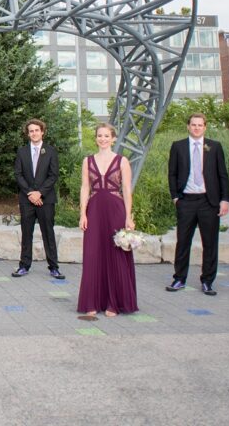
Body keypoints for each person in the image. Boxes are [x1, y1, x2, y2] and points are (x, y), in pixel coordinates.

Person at [77, 123, 138, 317]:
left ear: (113, 138)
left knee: (115, 254)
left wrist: (129, 216)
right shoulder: (87, 161)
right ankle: (92, 301)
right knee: (92, 254)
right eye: (99, 136)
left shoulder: (122, 161)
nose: (102, 139)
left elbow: (127, 189)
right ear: (95, 138)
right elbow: (85, 188)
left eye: (106, 136)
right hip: (94, 209)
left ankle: (114, 303)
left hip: (115, 210)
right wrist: (82, 213)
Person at [166, 113, 229, 296]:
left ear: (205, 127)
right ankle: (179, 278)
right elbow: (172, 173)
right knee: (183, 241)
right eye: (193, 124)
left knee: (210, 243)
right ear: (188, 126)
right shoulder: (178, 146)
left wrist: (225, 199)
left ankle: (207, 281)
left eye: (200, 125)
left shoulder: (214, 147)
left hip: (208, 201)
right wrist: (175, 197)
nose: (196, 128)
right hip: (186, 200)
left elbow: (222, 174)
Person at [12, 119, 64, 279]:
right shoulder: (22, 152)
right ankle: (24, 265)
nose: (34, 133)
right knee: (26, 232)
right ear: (28, 134)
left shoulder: (50, 151)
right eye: (31, 131)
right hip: (27, 199)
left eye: (37, 130)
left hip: (45, 199)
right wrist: (30, 193)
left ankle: (54, 267)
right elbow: (18, 174)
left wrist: (39, 193)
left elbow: (53, 175)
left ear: (42, 132)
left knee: (48, 232)